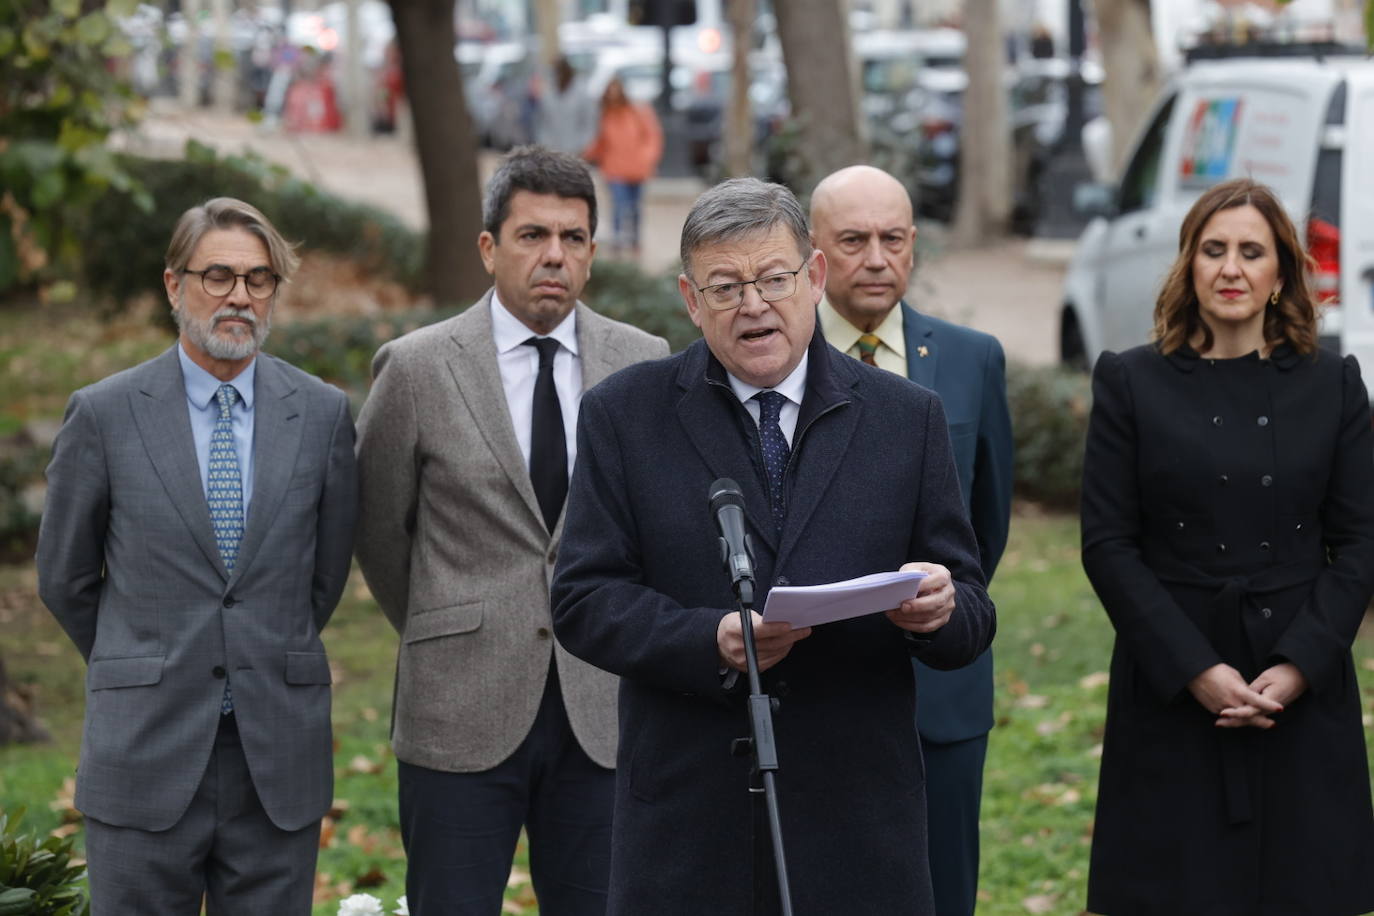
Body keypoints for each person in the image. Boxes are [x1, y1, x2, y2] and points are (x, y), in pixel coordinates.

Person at [550, 177, 997, 914]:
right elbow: (584, 598)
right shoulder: (625, 417)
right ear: (691, 302)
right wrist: (707, 639)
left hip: (857, 822)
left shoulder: (905, 418)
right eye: (725, 287)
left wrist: (941, 609)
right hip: (690, 826)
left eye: (774, 279)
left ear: (814, 278)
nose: (753, 304)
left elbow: (972, 610)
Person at [354, 146, 668, 916]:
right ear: (489, 248)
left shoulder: (644, 364)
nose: (553, 256)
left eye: (572, 238)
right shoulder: (417, 367)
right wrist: (446, 620)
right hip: (458, 705)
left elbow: (655, 534)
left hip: (602, 711)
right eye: (532, 236)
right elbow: (378, 528)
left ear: (593, 252)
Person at [36, 197, 358, 914]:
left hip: (276, 755)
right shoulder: (105, 414)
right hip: (144, 749)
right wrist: (138, 656)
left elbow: (324, 574)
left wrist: (254, 649)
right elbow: (64, 577)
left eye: (259, 279)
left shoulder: (322, 415)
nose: (240, 296)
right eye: (218, 276)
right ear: (174, 284)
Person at [1081, 177, 1374, 915]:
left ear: (1282, 272)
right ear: (1188, 264)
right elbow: (1109, 543)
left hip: (1300, 691)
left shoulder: (1333, 384)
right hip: (1173, 685)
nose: (1231, 268)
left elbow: (1363, 538)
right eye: (1214, 250)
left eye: (1252, 251)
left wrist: (1299, 666)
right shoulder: (1130, 381)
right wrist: (1197, 670)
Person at [810, 164, 1013, 916]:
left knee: (941, 890)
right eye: (854, 240)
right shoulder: (780, 361)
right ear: (814, 251)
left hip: (942, 690)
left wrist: (939, 611)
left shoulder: (971, 359)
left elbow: (984, 527)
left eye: (893, 239)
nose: (876, 258)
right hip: (815, 682)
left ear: (914, 245)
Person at [582, 76, 662, 258]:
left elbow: (651, 137)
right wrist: (586, 154)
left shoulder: (637, 112)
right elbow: (600, 143)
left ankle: (634, 240)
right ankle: (618, 240)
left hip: (637, 168)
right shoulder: (605, 116)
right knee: (619, 205)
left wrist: (647, 158)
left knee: (635, 207)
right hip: (614, 169)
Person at [534, 56, 596, 155]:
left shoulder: (582, 92)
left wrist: (582, 144)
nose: (559, 75)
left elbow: (590, 122)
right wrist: (545, 143)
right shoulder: (548, 92)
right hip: (551, 150)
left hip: (576, 150)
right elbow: (541, 121)